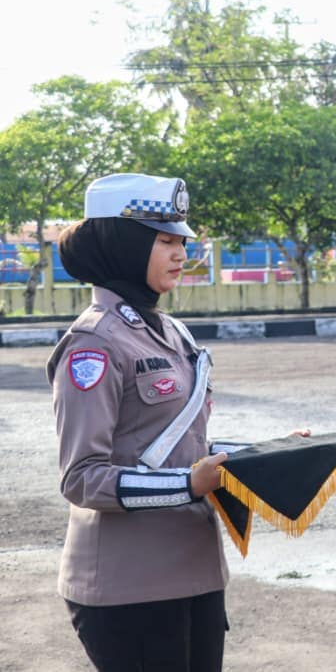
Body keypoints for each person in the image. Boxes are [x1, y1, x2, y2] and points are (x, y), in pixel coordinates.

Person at [48, 173, 228, 671]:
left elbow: (183, 445)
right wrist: (188, 484)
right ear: (124, 244)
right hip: (129, 587)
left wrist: (267, 455)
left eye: (182, 241)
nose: (181, 253)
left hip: (195, 572)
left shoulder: (170, 331)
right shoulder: (94, 344)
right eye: (165, 241)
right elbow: (82, 478)